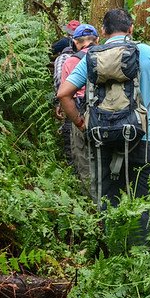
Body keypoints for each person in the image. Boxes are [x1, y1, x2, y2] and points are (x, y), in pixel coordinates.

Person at [56, 8, 150, 243]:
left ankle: (112, 251)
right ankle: (142, 256)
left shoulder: (91, 57)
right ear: (131, 29)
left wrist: (80, 122)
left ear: (104, 31)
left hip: (103, 138)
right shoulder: (147, 53)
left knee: (108, 199)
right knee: (144, 200)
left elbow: (64, 93)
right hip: (144, 138)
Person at [59, 23, 99, 187]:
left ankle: (90, 198)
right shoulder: (107, 56)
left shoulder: (70, 62)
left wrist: (78, 122)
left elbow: (63, 92)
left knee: (82, 156)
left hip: (80, 111)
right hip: (107, 111)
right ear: (97, 40)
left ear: (75, 42)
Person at [51, 19, 81, 165]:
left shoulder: (62, 54)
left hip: (69, 98)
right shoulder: (87, 55)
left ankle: (72, 165)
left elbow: (59, 82)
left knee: (69, 130)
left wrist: (58, 102)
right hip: (85, 99)